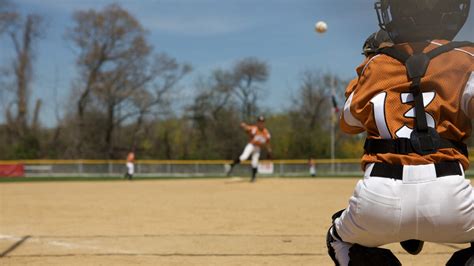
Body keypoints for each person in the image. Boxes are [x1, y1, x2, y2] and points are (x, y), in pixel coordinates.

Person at [326, 1, 473, 265]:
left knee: (338, 238)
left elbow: (348, 123)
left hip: (378, 198)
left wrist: (370, 61)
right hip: (452, 198)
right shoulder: (465, 57)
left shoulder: (376, 65)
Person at [226, 116, 272, 182]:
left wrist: (269, 150)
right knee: (244, 157)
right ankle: (230, 166)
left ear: (264, 123)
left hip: (258, 148)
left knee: (255, 162)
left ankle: (253, 178)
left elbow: (267, 143)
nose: (261, 123)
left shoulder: (266, 133)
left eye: (262, 122)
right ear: (257, 122)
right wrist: (244, 125)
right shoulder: (254, 129)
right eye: (259, 122)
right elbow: (247, 128)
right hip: (251, 145)